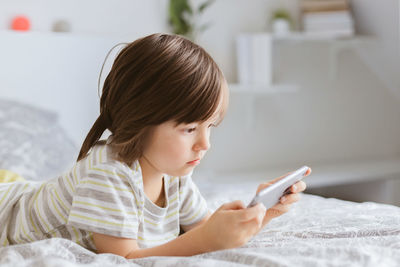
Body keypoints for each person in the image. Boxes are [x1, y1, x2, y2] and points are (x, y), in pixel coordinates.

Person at [0, 33, 309, 258]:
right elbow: (125, 259)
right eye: (190, 129)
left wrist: (260, 213)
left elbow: (202, 226)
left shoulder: (174, 173)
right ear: (140, 120)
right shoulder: (107, 175)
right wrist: (209, 240)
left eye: (210, 127)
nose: (205, 144)